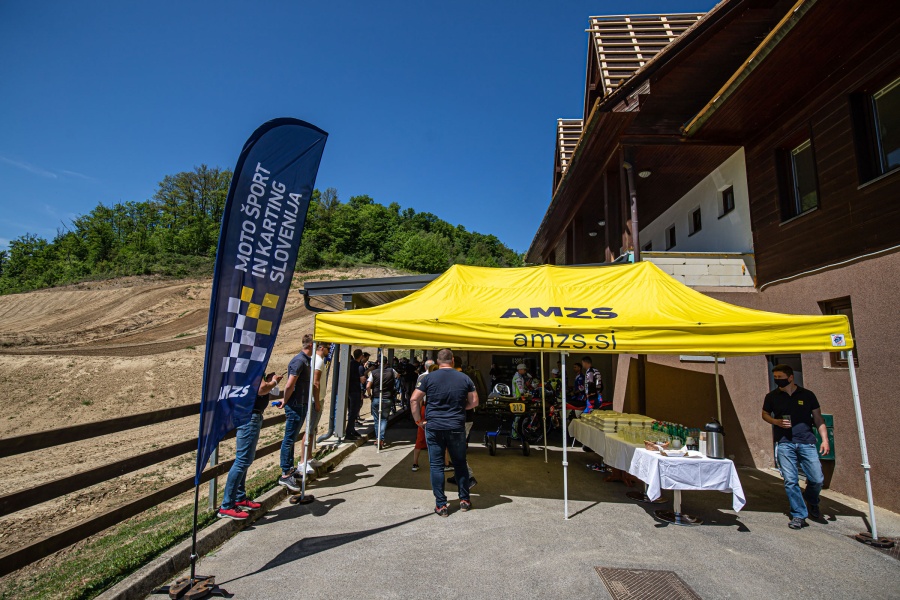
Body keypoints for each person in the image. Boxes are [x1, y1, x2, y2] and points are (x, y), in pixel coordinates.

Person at [410, 349, 478, 516]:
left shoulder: (428, 378)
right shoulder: (464, 378)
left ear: (437, 362)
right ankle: (464, 500)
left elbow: (414, 399)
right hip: (456, 425)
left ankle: (441, 505)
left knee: (436, 465)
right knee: (460, 463)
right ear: (452, 360)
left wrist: (419, 421)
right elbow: (474, 402)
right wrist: (460, 408)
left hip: (434, 426)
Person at [762, 364, 829, 529]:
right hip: (785, 442)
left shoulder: (807, 395)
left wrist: (825, 439)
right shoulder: (772, 396)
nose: (777, 380)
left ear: (791, 377)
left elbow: (818, 418)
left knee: (817, 479)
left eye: (780, 377)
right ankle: (799, 514)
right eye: (775, 377)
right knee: (790, 480)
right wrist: (776, 421)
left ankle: (811, 499)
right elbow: (764, 414)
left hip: (806, 441)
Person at [218, 371, 283, 519]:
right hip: (250, 416)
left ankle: (239, 497)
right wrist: (273, 382)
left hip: (250, 414)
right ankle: (226, 505)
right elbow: (261, 389)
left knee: (245, 459)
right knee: (242, 460)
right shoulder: (254, 366)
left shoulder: (249, 366)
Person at [275, 335, 315, 492]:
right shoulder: (299, 361)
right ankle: (285, 473)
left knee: (292, 438)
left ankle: (290, 469)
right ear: (310, 345)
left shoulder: (305, 360)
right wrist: (285, 400)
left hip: (301, 403)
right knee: (289, 439)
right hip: (295, 405)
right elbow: (289, 384)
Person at [447, 355, 477, 488]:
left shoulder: (458, 378)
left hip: (460, 419)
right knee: (456, 448)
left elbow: (473, 401)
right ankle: (458, 475)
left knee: (456, 450)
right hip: (467, 418)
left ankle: (468, 477)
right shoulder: (468, 377)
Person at [367, 358, 398, 449]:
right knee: (384, 419)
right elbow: (398, 376)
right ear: (386, 363)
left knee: (377, 420)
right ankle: (381, 439)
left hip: (376, 397)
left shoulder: (373, 372)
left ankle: (378, 439)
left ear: (378, 363)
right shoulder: (391, 371)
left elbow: (368, 386)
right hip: (388, 398)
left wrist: (369, 395)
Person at [411, 359, 435, 471]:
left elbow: (416, 398)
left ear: (425, 367)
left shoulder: (422, 377)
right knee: (438, 437)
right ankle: (441, 463)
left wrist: (418, 417)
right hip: (434, 409)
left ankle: (415, 463)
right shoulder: (439, 377)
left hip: (426, 407)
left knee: (420, 435)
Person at [345, 349, 366, 440]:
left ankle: (352, 430)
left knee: (351, 412)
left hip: (348, 390)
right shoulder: (359, 366)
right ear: (361, 356)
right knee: (354, 412)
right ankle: (348, 432)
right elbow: (362, 380)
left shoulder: (349, 364)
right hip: (355, 391)